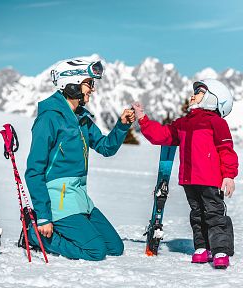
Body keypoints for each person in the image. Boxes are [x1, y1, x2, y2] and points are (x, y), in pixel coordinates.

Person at [23, 58, 135, 261]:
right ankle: (33, 235)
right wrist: (43, 215)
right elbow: (34, 171)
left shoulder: (81, 118)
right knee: (95, 251)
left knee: (115, 247)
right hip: (59, 199)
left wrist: (121, 126)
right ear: (71, 83)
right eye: (89, 83)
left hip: (80, 197)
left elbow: (105, 147)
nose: (92, 89)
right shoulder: (49, 119)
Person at [132, 79, 238, 269]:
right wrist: (143, 119)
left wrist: (229, 175)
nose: (192, 95)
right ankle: (202, 247)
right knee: (197, 215)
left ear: (214, 99)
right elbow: (162, 136)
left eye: (198, 92)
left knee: (214, 214)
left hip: (211, 180)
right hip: (189, 179)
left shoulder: (216, 122)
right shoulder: (184, 123)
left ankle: (220, 249)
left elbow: (226, 150)